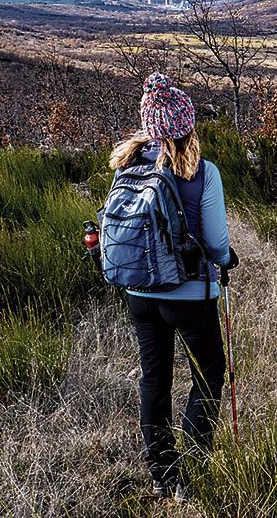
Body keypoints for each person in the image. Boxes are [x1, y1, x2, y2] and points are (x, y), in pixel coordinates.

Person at [108, 72, 237, 502]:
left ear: (148, 125)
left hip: (140, 294)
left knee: (154, 378)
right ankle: (194, 474)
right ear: (187, 125)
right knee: (209, 374)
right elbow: (216, 243)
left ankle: (162, 476)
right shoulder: (203, 172)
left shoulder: (127, 165)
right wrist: (226, 260)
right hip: (190, 296)